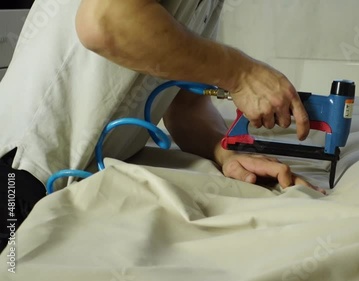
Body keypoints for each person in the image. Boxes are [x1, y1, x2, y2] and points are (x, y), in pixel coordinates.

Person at [0, 0, 320, 251]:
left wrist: (226, 152)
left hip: (82, 185)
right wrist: (242, 73)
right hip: (20, 169)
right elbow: (104, 20)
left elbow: (186, 104)